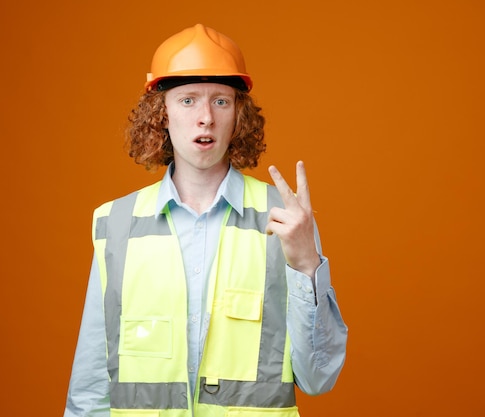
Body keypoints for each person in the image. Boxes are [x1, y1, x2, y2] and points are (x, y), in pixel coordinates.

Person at [64, 23, 347, 417]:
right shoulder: (117, 224)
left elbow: (319, 378)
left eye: (220, 102)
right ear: (160, 114)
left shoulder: (286, 221)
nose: (205, 119)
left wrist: (306, 266)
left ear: (238, 116)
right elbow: (90, 386)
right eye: (187, 100)